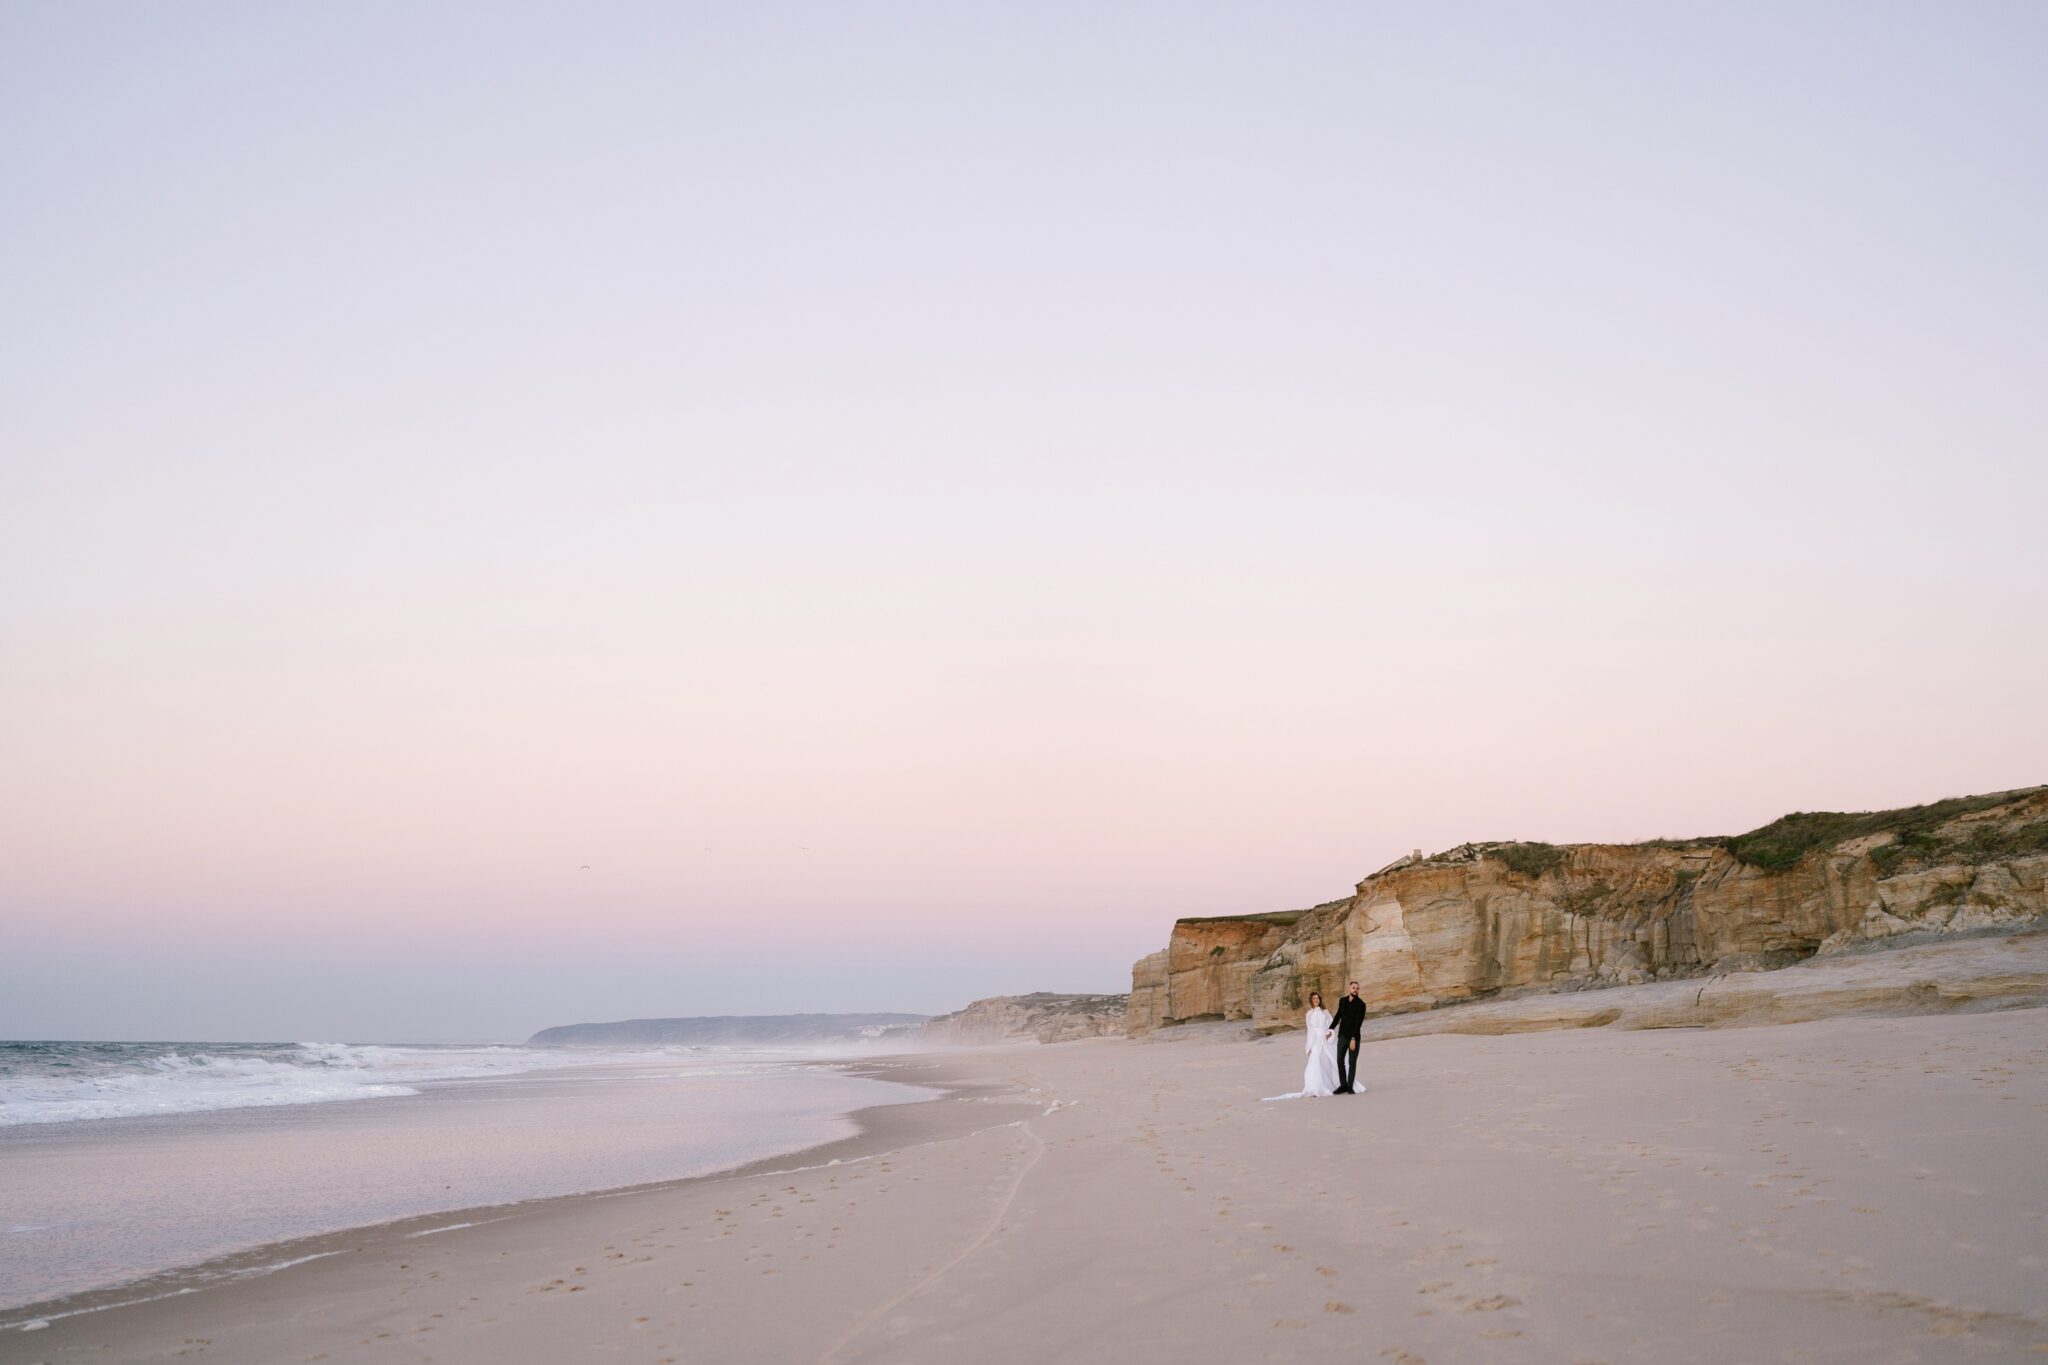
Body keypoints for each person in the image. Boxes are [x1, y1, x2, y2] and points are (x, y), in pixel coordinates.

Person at [1298, 990, 1340, 1097]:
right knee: (1316, 1061)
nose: (1316, 1000)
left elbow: (1332, 1025)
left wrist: (1329, 1033)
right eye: (1314, 998)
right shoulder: (1309, 1014)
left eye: (1317, 998)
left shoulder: (1325, 1011)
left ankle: (1329, 1085)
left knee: (1327, 1062)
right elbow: (1310, 1030)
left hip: (1325, 1039)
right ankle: (1316, 1086)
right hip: (1315, 1041)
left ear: (1320, 1000)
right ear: (1311, 1001)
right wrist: (1309, 1046)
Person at [1331, 980, 1367, 1093]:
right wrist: (1330, 1029)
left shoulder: (1361, 1004)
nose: (1355, 990)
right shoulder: (1342, 1001)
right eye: (1353, 988)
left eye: (1357, 988)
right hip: (1342, 1036)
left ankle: (1350, 1086)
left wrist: (1353, 1039)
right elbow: (1338, 1016)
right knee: (1339, 1061)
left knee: (1352, 1062)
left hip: (1354, 1038)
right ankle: (1343, 1085)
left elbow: (1358, 1024)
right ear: (1349, 989)